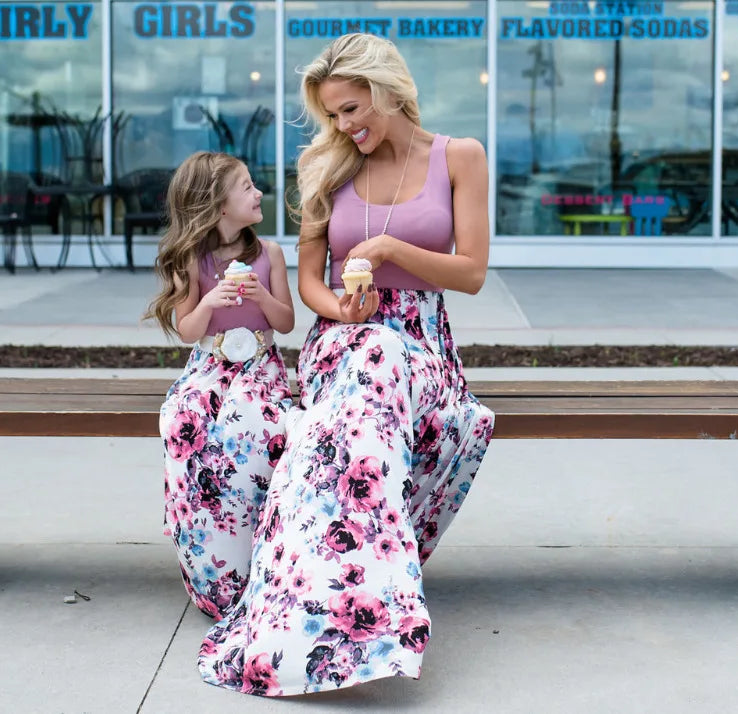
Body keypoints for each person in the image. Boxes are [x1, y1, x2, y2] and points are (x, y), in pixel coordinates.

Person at [196, 34, 495, 696]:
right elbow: (309, 282)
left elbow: (471, 272)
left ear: (388, 91)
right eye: (333, 114)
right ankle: (350, 601)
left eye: (353, 108)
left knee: (378, 367)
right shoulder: (323, 165)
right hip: (342, 339)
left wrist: (390, 248)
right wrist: (343, 307)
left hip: (421, 342)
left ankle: (325, 591)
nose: (343, 125)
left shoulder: (459, 157)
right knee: (370, 358)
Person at [149, 151, 295, 619]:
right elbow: (188, 331)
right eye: (248, 187)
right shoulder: (194, 259)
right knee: (184, 421)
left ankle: (256, 555)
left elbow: (287, 323)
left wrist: (262, 295)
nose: (259, 194)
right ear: (217, 203)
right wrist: (210, 298)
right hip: (210, 367)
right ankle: (207, 556)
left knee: (255, 430)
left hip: (260, 367)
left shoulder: (269, 254)